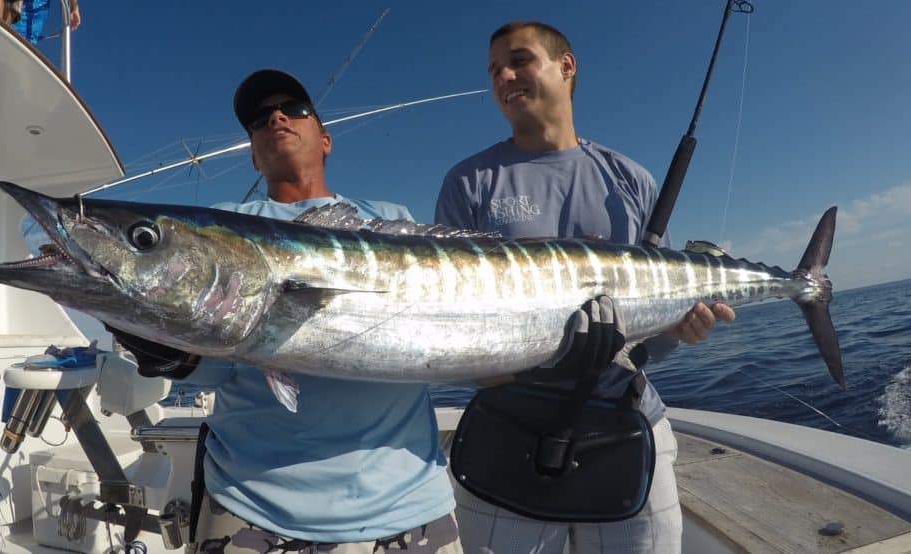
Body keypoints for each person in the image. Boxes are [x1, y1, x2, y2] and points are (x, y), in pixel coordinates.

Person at [109, 70, 461, 554]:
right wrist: (170, 351)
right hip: (253, 508)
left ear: (326, 139)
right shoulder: (226, 226)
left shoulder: (390, 219)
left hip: (405, 510)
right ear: (254, 155)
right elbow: (212, 371)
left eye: (294, 109)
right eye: (259, 119)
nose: (276, 117)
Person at [435, 21, 735, 553]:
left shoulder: (630, 179)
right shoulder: (470, 182)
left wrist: (683, 328)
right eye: (494, 71)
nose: (504, 76)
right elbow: (461, 324)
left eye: (520, 60)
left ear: (566, 66)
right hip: (511, 429)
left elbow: (652, 323)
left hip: (627, 419)